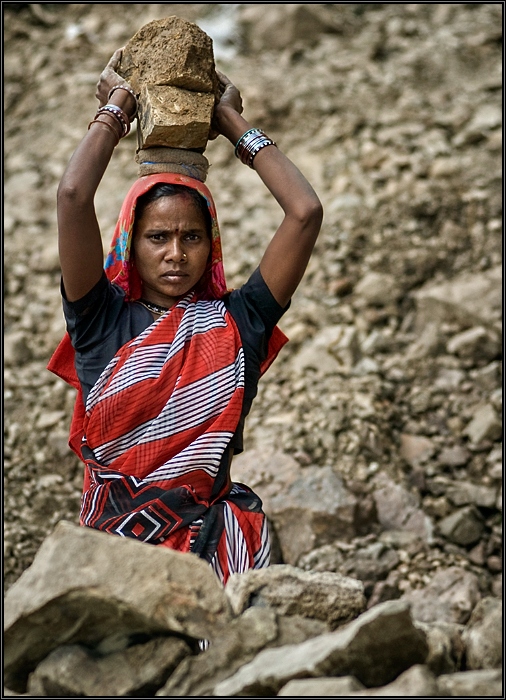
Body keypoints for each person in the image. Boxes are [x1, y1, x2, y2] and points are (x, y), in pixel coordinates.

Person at [48, 48, 323, 585]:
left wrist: (231, 122)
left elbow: (305, 211)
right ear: (131, 243)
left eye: (191, 237)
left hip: (214, 546)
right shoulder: (100, 320)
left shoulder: (239, 321)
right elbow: (73, 195)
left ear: (211, 244)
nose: (176, 253)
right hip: (115, 553)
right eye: (158, 237)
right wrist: (118, 108)